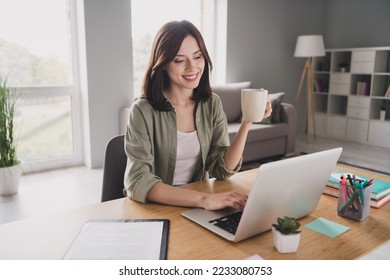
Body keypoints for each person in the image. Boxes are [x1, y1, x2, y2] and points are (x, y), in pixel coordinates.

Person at [124, 20, 271, 211]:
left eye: (197, 57)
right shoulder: (142, 111)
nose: (192, 67)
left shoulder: (212, 103)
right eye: (179, 60)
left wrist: (247, 121)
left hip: (196, 203)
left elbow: (222, 169)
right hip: (157, 206)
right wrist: (203, 200)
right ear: (162, 64)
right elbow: (138, 180)